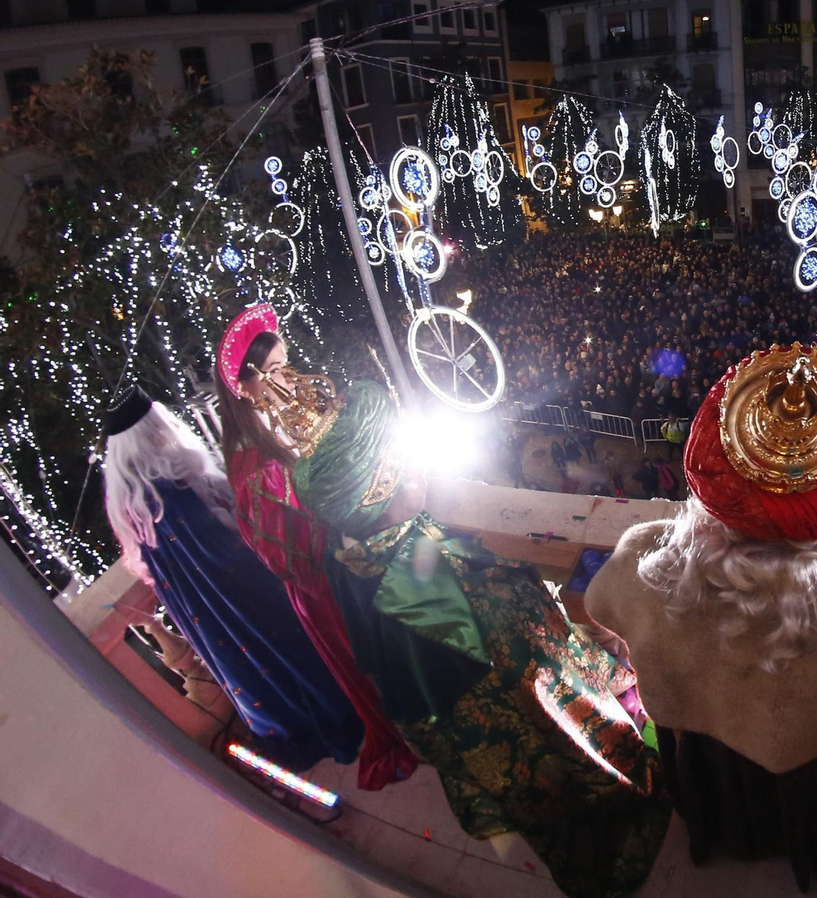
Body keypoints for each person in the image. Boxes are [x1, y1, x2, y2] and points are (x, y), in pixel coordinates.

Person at [586, 332, 817, 890]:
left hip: (705, 758)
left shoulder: (644, 559)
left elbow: (601, 603)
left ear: (705, 478)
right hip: (816, 778)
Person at [291, 379, 672, 898]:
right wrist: (597, 649)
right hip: (534, 724)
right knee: (589, 788)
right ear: (380, 486)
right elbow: (545, 670)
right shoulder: (450, 588)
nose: (417, 462)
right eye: (402, 456)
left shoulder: (362, 557)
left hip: (480, 739)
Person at [101, 387, 364, 772]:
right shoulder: (167, 493)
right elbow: (220, 545)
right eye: (160, 427)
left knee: (259, 664)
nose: (168, 431)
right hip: (242, 591)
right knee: (293, 648)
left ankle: (308, 723)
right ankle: (335, 716)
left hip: (212, 608)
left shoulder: (136, 501)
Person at [213, 303, 419, 791]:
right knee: (382, 670)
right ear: (244, 387)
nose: (291, 377)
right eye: (277, 370)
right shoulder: (254, 468)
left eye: (289, 362)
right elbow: (290, 555)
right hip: (330, 587)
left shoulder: (291, 422)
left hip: (353, 562)